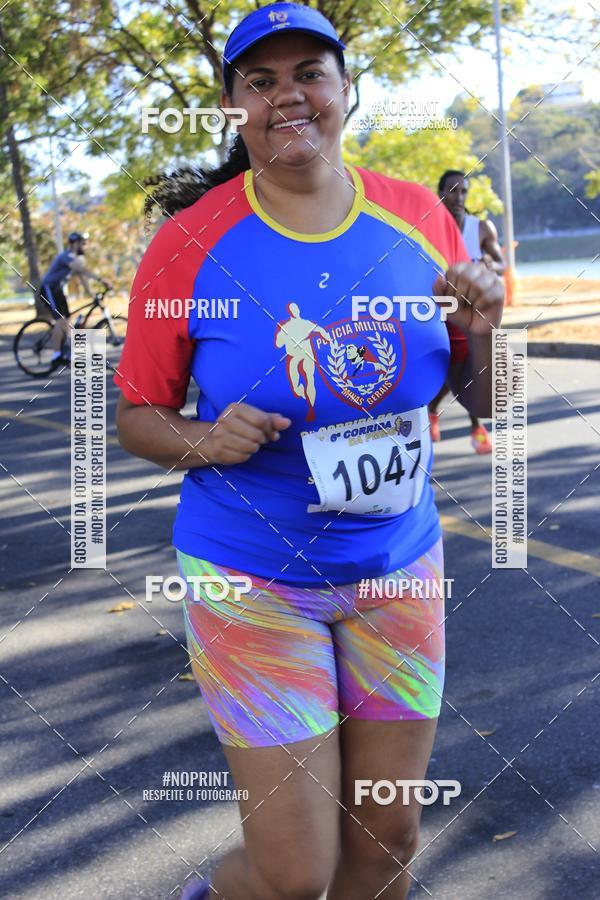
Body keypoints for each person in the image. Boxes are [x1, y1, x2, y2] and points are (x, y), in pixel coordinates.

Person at [114, 4, 504, 899]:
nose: (287, 95)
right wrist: (203, 439)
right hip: (251, 578)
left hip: (398, 569)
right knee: (294, 876)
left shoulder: (418, 216)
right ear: (232, 107)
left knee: (387, 840)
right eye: (261, 81)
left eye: (309, 74)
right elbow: (137, 416)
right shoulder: (189, 244)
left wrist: (484, 332)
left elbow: (489, 402)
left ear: (344, 90)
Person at [428, 170, 505, 454]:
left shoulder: (481, 227)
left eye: (463, 191)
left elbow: (501, 264)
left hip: (475, 313)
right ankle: (434, 412)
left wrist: (488, 265)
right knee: (449, 369)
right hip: (439, 311)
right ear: (440, 193)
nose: (458, 197)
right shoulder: (427, 226)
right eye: (452, 190)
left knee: (469, 367)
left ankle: (475, 428)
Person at [39, 231, 112, 364]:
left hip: (58, 290)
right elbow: (83, 270)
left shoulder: (75, 259)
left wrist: (92, 295)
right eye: (83, 243)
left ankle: (65, 351)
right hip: (48, 288)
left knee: (67, 320)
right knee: (60, 321)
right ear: (75, 243)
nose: (85, 246)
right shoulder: (67, 256)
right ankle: (56, 355)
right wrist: (102, 280)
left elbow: (82, 277)